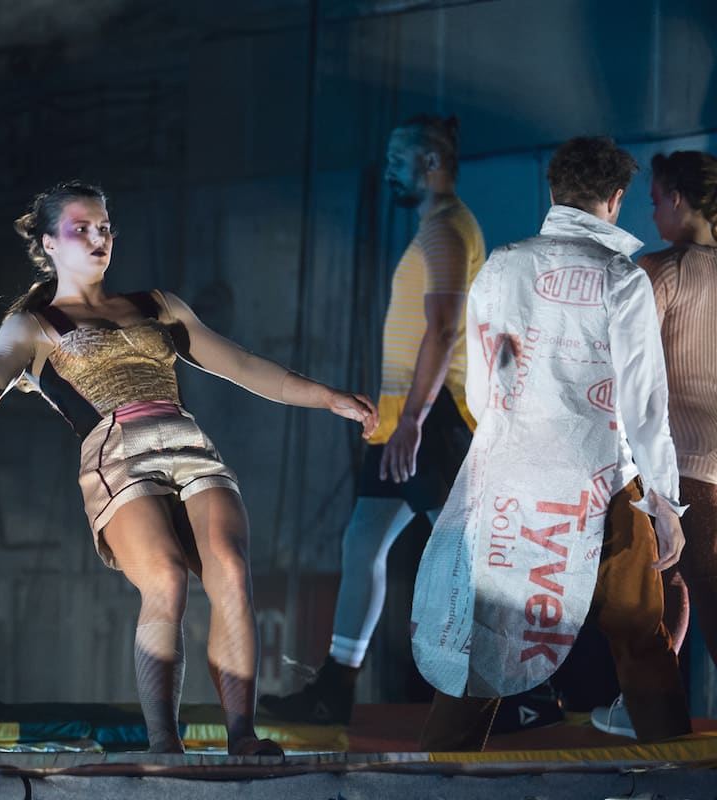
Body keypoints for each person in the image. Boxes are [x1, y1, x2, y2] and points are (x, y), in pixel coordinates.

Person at [0, 180, 379, 755]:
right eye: (82, 229)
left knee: (231, 568)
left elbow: (242, 365)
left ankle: (242, 736)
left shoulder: (159, 305)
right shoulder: (34, 324)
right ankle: (163, 742)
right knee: (167, 578)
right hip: (116, 451)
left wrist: (328, 397)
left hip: (187, 441)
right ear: (49, 243)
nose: (99, 238)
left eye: (105, 228)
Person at [410, 136, 691, 750]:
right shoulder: (622, 278)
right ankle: (676, 777)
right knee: (639, 639)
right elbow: (644, 405)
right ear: (616, 199)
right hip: (603, 482)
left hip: (510, 480)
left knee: (486, 643)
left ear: (552, 190)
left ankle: (436, 778)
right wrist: (665, 503)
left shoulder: (501, 265)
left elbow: (482, 387)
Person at [261, 115, 486, 725]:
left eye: (397, 159)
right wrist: (397, 418)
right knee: (362, 542)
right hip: (402, 419)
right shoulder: (433, 229)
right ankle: (335, 688)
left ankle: (512, 691)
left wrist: (413, 420)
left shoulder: (447, 229)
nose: (388, 171)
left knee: (464, 556)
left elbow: (444, 328)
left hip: (431, 418)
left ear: (430, 163)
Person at [592, 150, 717, 738]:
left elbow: (626, 368)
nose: (653, 212)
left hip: (685, 464)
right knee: (677, 584)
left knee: (683, 585)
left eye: (656, 199)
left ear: (677, 199)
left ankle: (645, 711)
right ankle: (641, 709)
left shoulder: (660, 270)